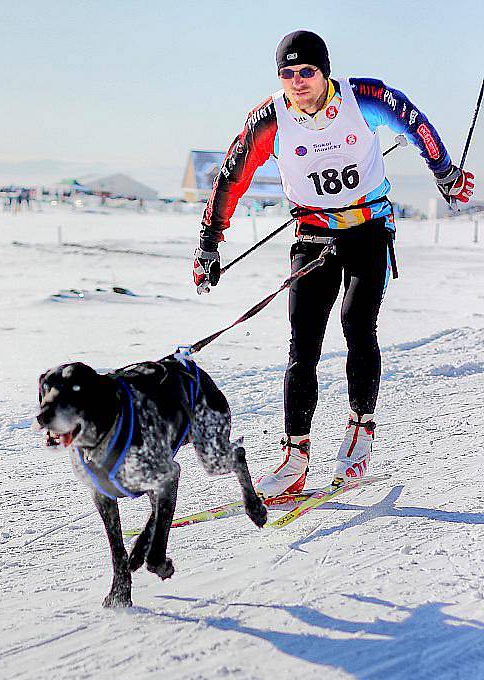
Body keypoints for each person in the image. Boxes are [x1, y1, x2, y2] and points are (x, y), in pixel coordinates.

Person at [192, 30, 475, 497]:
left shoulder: (363, 98)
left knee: (356, 323)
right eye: (287, 73)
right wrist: (209, 241)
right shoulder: (270, 119)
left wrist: (444, 171)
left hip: (368, 229)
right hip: (312, 233)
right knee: (302, 342)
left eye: (307, 72)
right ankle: (295, 456)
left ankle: (360, 430)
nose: (297, 81)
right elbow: (232, 175)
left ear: (325, 71)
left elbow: (413, 122)